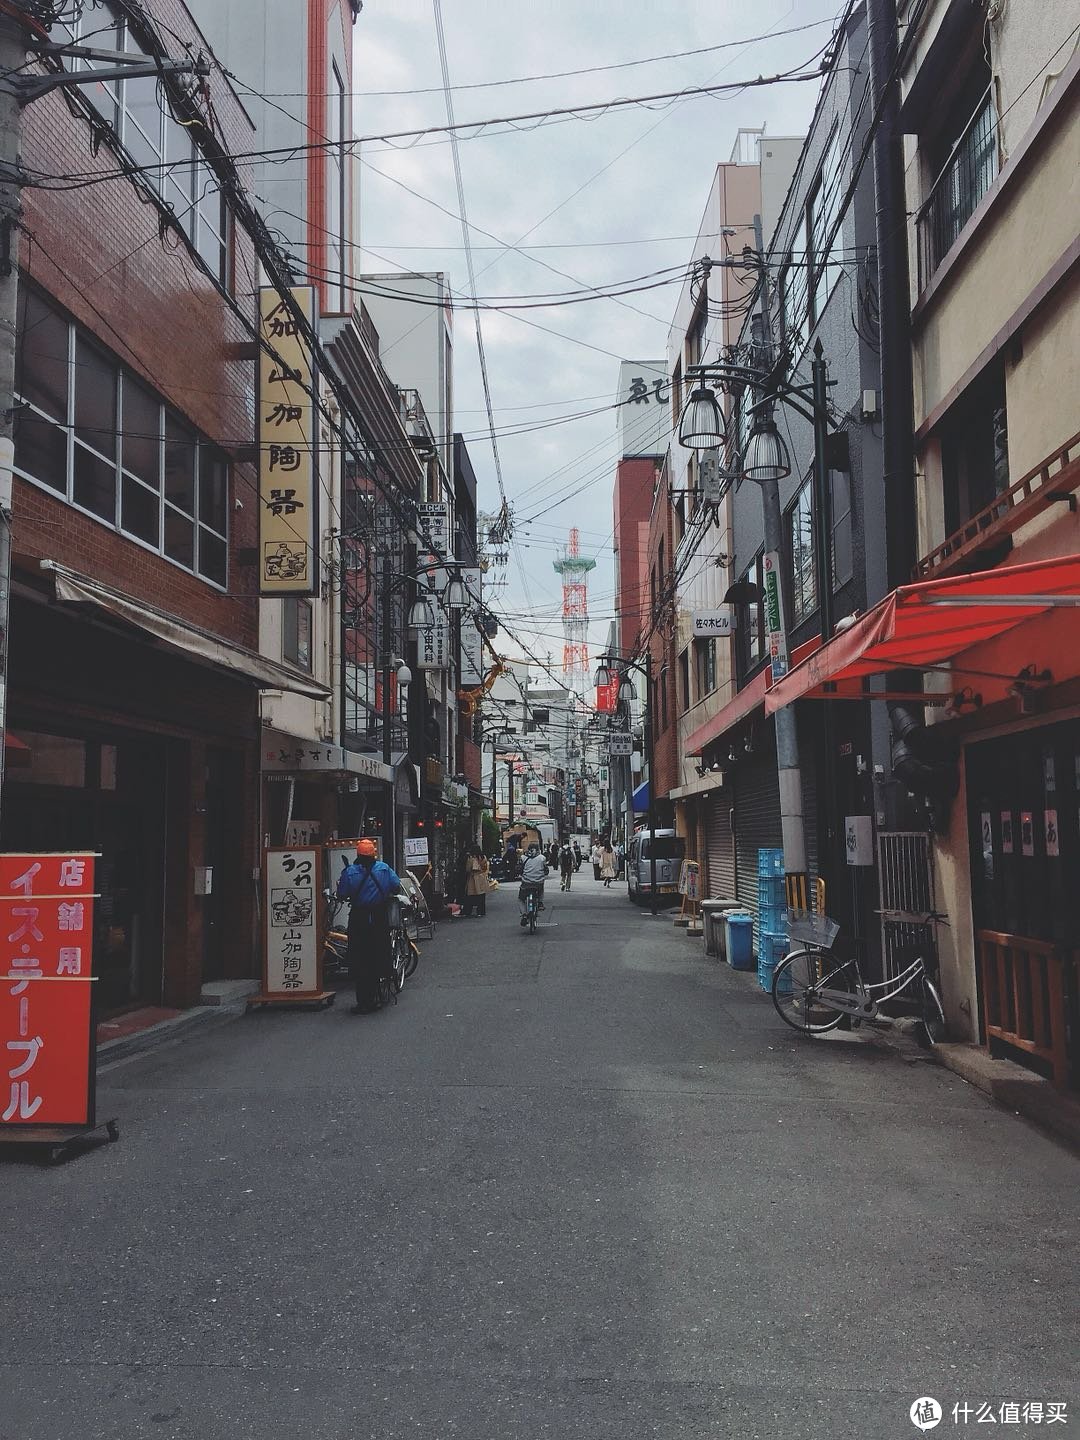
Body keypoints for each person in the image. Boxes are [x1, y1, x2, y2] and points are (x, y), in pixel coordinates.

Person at [336, 839, 403, 1014]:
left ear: (358, 855)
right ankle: (376, 997)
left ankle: (362, 1001)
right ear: (373, 854)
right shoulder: (383, 869)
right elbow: (396, 887)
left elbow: (342, 893)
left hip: (359, 918)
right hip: (379, 917)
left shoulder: (349, 872)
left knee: (359, 958)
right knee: (378, 954)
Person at [518, 843, 548, 926]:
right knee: (541, 888)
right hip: (538, 883)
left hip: (526, 883)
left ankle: (524, 915)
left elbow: (520, 869)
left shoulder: (523, 857)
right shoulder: (542, 858)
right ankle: (540, 903)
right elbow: (546, 869)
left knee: (521, 899)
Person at [463, 844, 490, 918]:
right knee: (481, 896)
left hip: (473, 878)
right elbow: (485, 867)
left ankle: (468, 911)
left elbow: (468, 869)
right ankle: (481, 911)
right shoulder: (483, 857)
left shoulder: (471, 858)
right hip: (481, 877)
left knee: (470, 895)